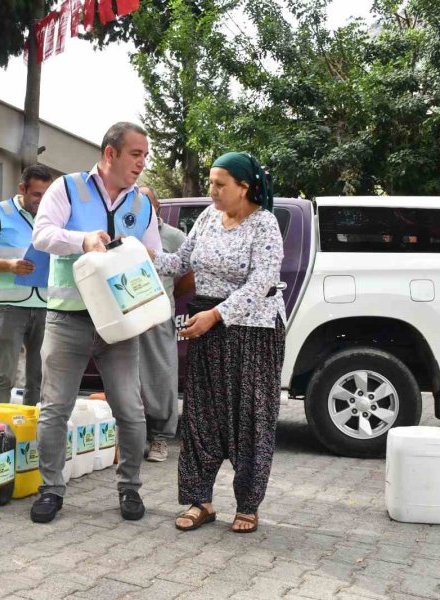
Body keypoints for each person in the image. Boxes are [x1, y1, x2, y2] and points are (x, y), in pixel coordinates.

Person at [30, 122, 162, 524]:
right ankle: (51, 490)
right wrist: (82, 240)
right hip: (67, 320)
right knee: (55, 409)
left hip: (120, 327)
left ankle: (130, 489)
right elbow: (42, 235)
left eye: (145, 155)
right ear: (110, 154)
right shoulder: (68, 188)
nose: (142, 162)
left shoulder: (142, 205)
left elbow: (152, 253)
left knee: (131, 410)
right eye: (135, 154)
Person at [152, 151, 285, 534]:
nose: (212, 191)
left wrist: (216, 315)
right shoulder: (209, 218)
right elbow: (180, 264)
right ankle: (201, 501)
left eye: (220, 184)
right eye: (211, 182)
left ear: (245, 188)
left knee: (249, 418)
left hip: (252, 330)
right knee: (201, 416)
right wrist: (141, 254)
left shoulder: (264, 225)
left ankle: (248, 505)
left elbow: (261, 284)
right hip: (207, 325)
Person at [0, 165, 53, 406]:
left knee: (38, 377)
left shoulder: (53, 216)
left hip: (45, 305)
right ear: (22, 189)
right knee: (3, 376)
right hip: (9, 306)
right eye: (36, 194)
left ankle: (30, 433)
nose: (41, 201)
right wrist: (9, 265)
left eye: (46, 195)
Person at [136, 185, 186, 462]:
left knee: (160, 376)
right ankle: (133, 436)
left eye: (147, 203)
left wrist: (169, 296)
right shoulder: (127, 231)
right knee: (130, 376)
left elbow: (188, 273)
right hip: (128, 317)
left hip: (157, 317)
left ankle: (160, 437)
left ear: (158, 206)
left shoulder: (173, 236)